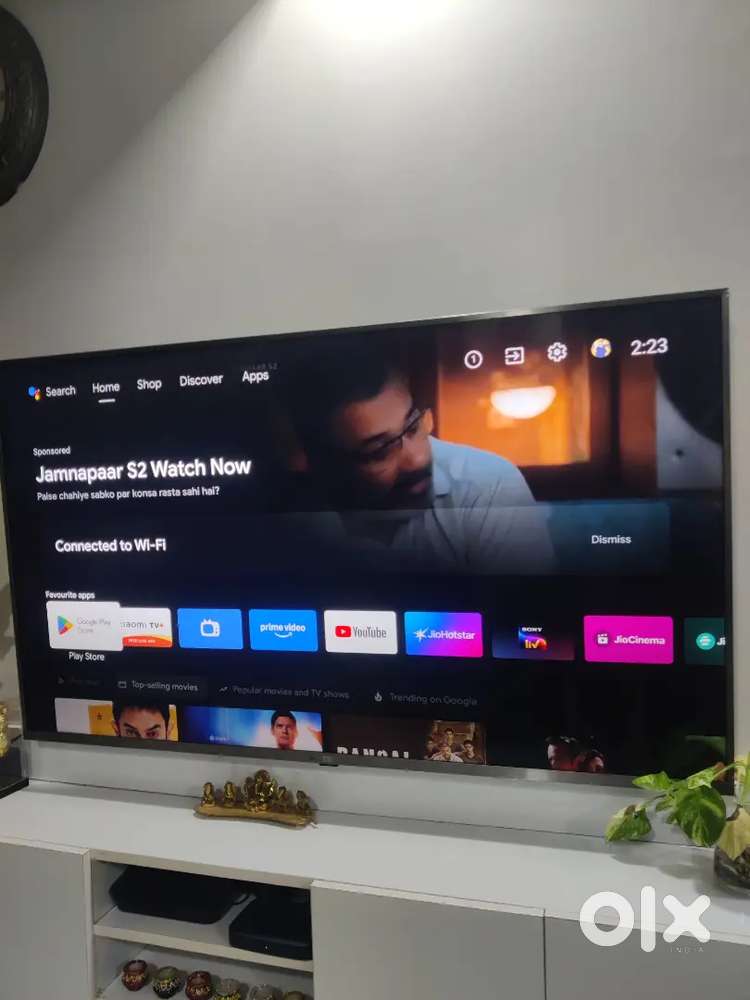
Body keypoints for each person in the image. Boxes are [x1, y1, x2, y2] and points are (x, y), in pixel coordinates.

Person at [279, 339, 554, 574]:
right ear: (324, 465)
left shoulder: (488, 484)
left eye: (412, 427)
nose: (417, 459)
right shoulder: (288, 515)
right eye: (379, 451)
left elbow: (526, 612)